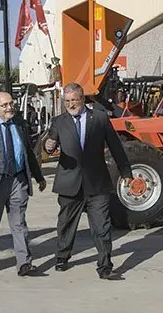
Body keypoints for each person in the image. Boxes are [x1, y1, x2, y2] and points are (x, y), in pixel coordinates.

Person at [44, 82, 133, 280]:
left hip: (96, 182)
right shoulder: (59, 121)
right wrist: (49, 145)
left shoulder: (99, 118)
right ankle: (62, 256)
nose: (71, 104)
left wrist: (126, 172)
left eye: (74, 100)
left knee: (101, 226)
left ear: (83, 99)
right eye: (67, 101)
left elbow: (116, 147)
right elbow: (50, 144)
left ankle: (105, 266)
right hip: (69, 183)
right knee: (66, 224)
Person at [0, 91, 47, 276]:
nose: (10, 108)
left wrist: (38, 176)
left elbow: (28, 153)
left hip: (18, 179)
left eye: (11, 104)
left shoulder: (20, 124)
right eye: (5, 105)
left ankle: (24, 262)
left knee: (19, 221)